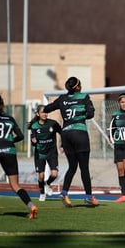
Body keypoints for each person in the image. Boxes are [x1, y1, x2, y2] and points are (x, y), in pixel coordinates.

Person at [43, 76, 99, 207]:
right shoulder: (84, 96)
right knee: (84, 167)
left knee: (72, 166)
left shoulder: (62, 99)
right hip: (79, 133)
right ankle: (89, 197)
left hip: (66, 135)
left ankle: (64, 192)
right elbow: (91, 114)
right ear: (78, 86)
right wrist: (82, 115)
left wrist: (40, 110)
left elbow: (48, 108)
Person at [28, 105, 62, 202]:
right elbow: (33, 140)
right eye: (42, 112)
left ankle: (48, 184)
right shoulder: (34, 126)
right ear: (38, 114)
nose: (44, 114)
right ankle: (42, 193)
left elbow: (62, 132)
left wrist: (63, 145)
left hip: (52, 152)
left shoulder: (53, 124)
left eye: (46, 112)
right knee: (41, 176)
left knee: (54, 174)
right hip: (40, 154)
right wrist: (33, 141)